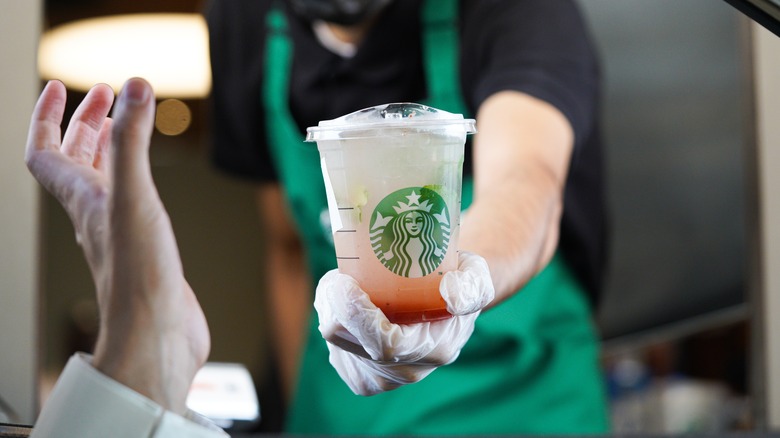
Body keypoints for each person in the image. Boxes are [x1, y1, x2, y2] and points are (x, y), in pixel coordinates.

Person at [207, 0, 609, 434]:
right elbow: (288, 251)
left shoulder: (519, 12)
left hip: (520, 402)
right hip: (343, 403)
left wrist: (461, 285)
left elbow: (525, 181)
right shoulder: (244, 19)